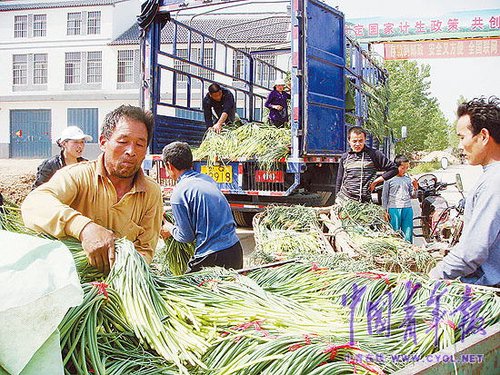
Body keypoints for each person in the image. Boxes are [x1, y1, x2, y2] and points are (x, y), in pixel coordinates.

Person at [21, 105, 163, 274]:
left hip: (117, 284)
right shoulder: (77, 176)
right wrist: (84, 228)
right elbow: (33, 204)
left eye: (140, 144)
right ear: (103, 142)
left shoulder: (151, 192)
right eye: (123, 142)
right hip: (71, 279)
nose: (131, 151)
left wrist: (127, 273)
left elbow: (145, 248)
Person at [429, 96, 500, 287]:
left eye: (462, 137)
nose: (460, 146)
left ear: (484, 136)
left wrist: (433, 276)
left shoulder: (494, 181)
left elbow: (473, 251)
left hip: (489, 291)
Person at [160, 141, 243, 272]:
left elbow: (186, 237)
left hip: (211, 257)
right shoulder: (207, 180)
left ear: (169, 166)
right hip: (235, 250)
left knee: (184, 290)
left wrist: (169, 228)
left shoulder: (179, 193)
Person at [335, 126, 398, 203]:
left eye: (360, 141)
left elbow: (394, 169)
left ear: (365, 140)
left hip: (363, 201)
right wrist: (336, 199)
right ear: (349, 141)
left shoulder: (374, 154)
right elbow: (339, 179)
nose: (357, 144)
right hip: (344, 199)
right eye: (354, 141)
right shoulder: (345, 157)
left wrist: (376, 181)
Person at [381, 155, 418, 242]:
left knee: (408, 234)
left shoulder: (408, 179)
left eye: (407, 168)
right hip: (394, 209)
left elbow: (413, 195)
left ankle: (409, 252)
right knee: (394, 233)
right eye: (402, 168)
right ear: (396, 167)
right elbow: (384, 196)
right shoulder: (389, 179)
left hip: (407, 208)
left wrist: (416, 187)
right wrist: (384, 211)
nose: (405, 170)